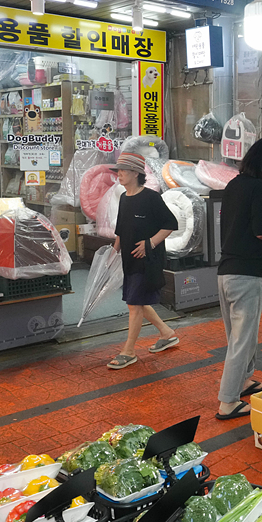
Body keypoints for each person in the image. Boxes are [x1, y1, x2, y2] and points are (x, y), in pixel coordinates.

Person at [215, 137, 262, 419]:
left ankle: (244, 381)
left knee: (238, 336)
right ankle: (228, 401)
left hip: (227, 271)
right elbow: (261, 230)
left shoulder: (234, 184)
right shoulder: (258, 188)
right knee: (242, 339)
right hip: (247, 274)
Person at [108, 152, 180, 370]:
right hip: (129, 259)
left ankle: (128, 351)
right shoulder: (123, 197)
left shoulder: (151, 197)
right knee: (136, 300)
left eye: (124, 170)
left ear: (137, 173)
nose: (119, 173)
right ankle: (167, 334)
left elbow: (170, 223)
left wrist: (150, 243)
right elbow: (121, 229)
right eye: (118, 170)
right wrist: (113, 252)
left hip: (148, 260)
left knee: (134, 304)